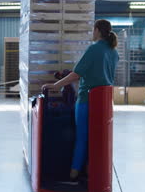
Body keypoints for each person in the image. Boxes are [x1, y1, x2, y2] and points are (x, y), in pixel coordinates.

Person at [42, 19, 119, 181]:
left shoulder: (94, 49)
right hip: (105, 103)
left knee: (82, 137)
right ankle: (92, 170)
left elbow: (77, 74)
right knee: (99, 137)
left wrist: (56, 85)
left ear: (97, 30)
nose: (92, 32)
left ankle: (74, 172)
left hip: (87, 100)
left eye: (93, 30)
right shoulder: (113, 52)